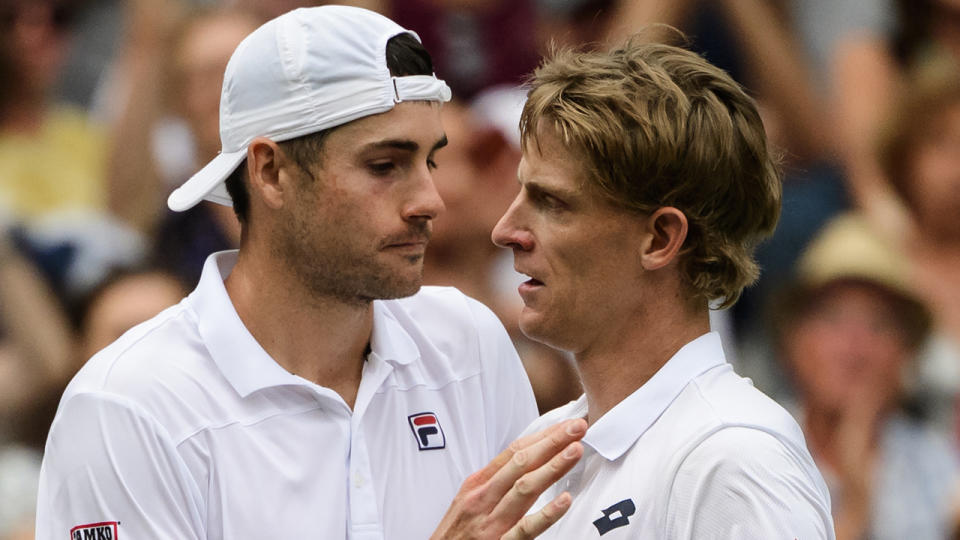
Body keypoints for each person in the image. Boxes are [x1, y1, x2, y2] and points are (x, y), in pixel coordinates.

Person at [35, 6, 585, 539]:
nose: (429, 201)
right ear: (270, 172)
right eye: (384, 166)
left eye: (429, 161)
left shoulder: (471, 343)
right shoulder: (126, 406)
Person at [491, 38, 835, 537]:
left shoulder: (735, 460)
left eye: (552, 202)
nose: (506, 231)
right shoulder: (539, 446)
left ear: (660, 238)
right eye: (520, 191)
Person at [772, 212, 959, 540]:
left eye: (878, 325)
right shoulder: (760, 447)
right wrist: (856, 507)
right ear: (792, 341)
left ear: (907, 353)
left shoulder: (937, 467)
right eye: (833, 318)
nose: (854, 348)